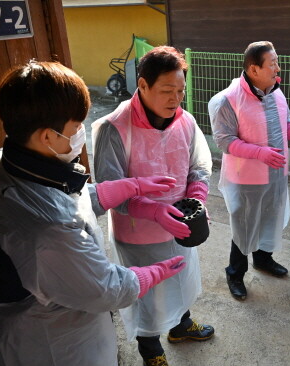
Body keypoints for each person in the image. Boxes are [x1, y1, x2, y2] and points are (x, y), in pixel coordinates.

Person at [0, 60, 187, 366]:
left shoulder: (12, 161)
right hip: (45, 336)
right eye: (75, 126)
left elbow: (65, 200)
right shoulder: (49, 229)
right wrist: (153, 273)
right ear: (46, 137)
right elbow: (104, 289)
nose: (82, 131)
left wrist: (127, 186)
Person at [92, 46, 214, 366]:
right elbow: (110, 192)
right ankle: (151, 351)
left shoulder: (184, 121)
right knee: (147, 292)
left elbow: (198, 167)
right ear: (142, 86)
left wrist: (197, 199)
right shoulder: (114, 128)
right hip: (138, 234)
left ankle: (181, 325)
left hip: (179, 224)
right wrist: (155, 210)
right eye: (166, 90)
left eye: (180, 90)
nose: (175, 99)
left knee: (179, 277)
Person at [208, 41, 290, 300]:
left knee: (270, 218)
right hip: (246, 178)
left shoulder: (274, 91)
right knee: (245, 225)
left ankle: (263, 259)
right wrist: (259, 153)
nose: (277, 68)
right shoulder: (226, 100)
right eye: (272, 64)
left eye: (276, 62)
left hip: (275, 174)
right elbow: (224, 140)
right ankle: (235, 273)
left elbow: (286, 123)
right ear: (253, 69)